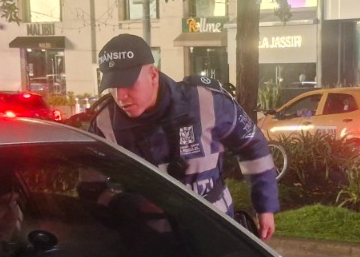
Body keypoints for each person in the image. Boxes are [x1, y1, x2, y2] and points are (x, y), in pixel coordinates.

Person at [87, 34, 280, 239]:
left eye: (129, 84)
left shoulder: (206, 102)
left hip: (215, 234)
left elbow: (251, 145)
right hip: (146, 242)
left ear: (153, 74)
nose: (120, 96)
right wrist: (132, 204)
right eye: (113, 86)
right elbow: (90, 188)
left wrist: (265, 207)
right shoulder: (104, 125)